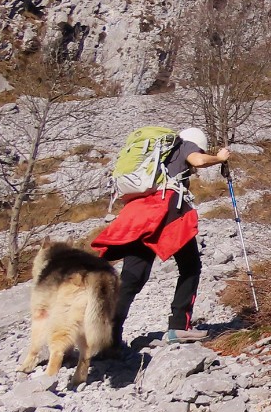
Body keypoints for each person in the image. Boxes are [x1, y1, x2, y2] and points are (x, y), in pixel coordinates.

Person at [91, 127, 230, 352]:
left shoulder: (156, 157)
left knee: (132, 277)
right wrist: (219, 158)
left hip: (137, 214)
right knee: (190, 266)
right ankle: (178, 326)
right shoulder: (184, 145)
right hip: (165, 215)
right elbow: (198, 160)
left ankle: (108, 340)